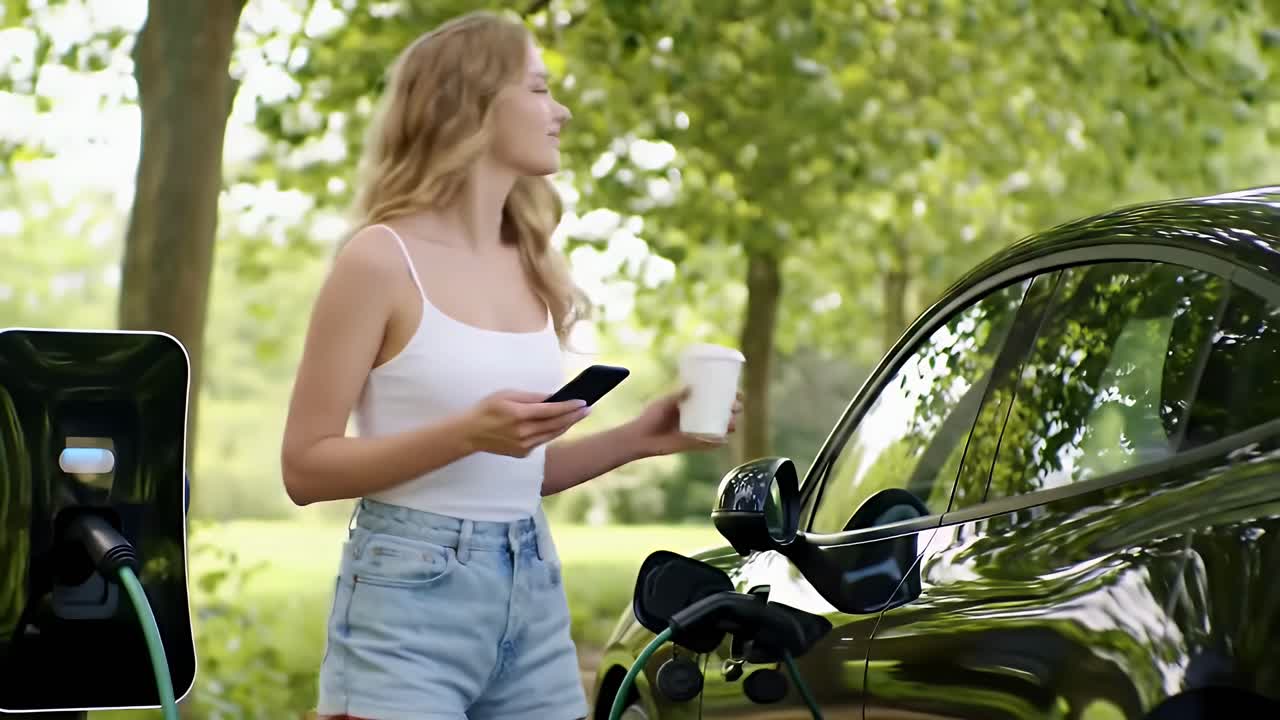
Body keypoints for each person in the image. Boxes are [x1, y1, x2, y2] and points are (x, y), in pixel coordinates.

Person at [280, 10, 743, 720]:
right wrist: (466, 433)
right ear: (469, 104)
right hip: (407, 600)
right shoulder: (378, 260)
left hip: (530, 585)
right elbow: (305, 468)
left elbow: (516, 473)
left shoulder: (528, 261)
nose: (558, 109)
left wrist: (640, 437)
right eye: (537, 88)